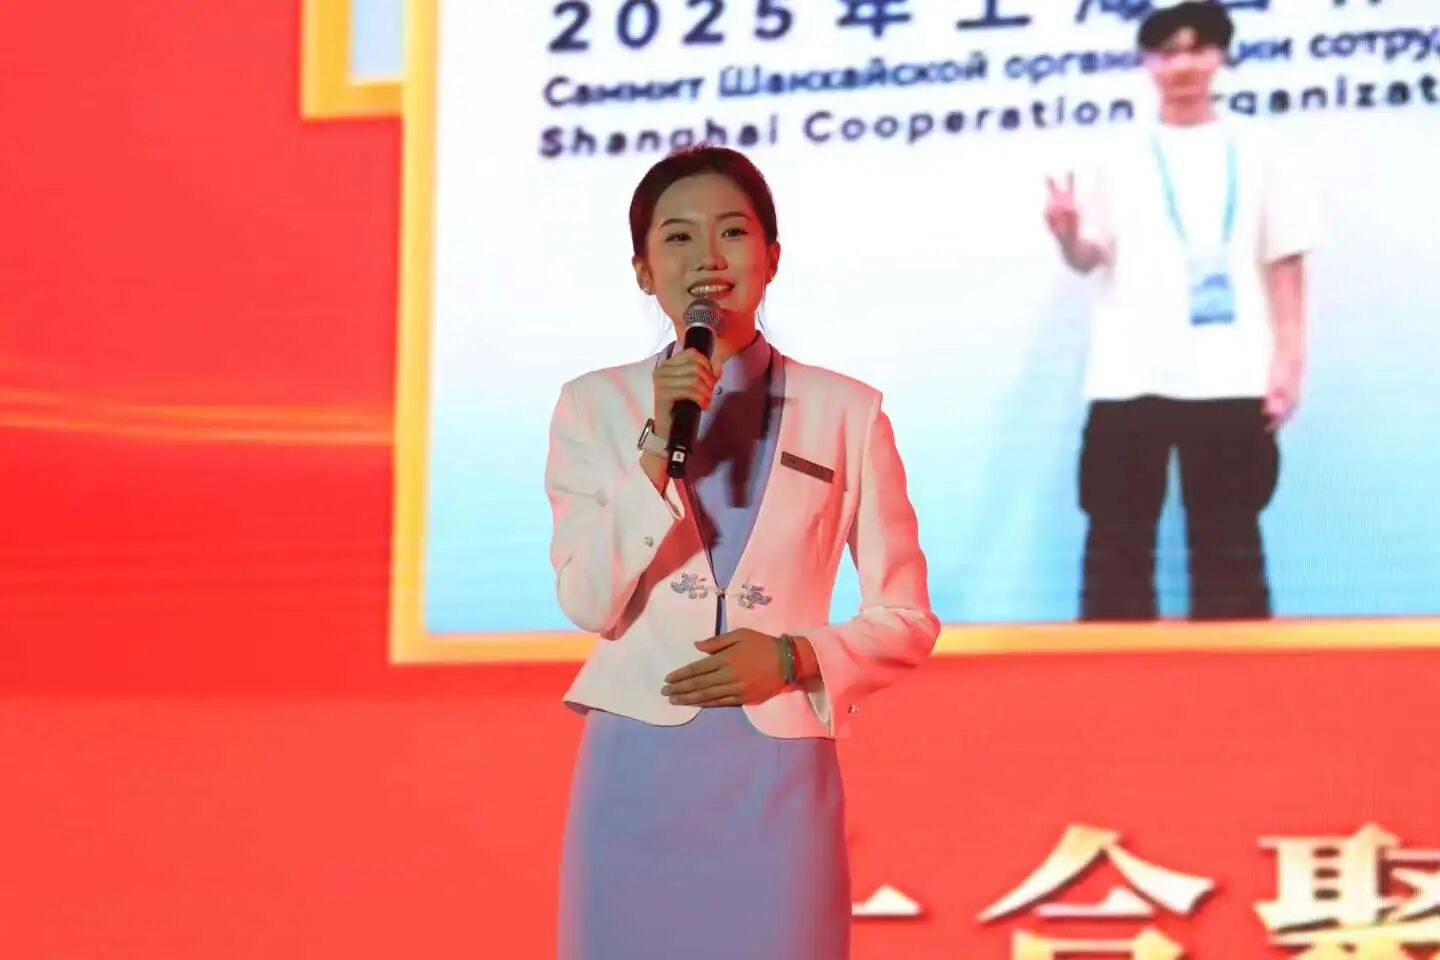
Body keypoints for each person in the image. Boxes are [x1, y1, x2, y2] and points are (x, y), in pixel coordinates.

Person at [545, 145, 939, 959]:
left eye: (731, 232)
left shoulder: (847, 412)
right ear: (644, 271)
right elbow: (587, 600)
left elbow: (907, 618)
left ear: (772, 258)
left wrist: (796, 656)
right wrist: (656, 445)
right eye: (678, 238)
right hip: (636, 770)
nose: (708, 258)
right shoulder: (594, 405)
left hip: (776, 774)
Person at [1044, 0, 1320, 621]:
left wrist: (1289, 360)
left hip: (1233, 371)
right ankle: (1109, 669)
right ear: (1148, 63)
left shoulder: (1264, 148)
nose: (1183, 65)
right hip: (1129, 374)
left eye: (1197, 49)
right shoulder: (1116, 153)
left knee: (1230, 536)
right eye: (1168, 53)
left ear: (1220, 57)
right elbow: (1088, 257)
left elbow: (1286, 259)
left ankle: (1235, 672)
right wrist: (1065, 233)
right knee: (1116, 534)